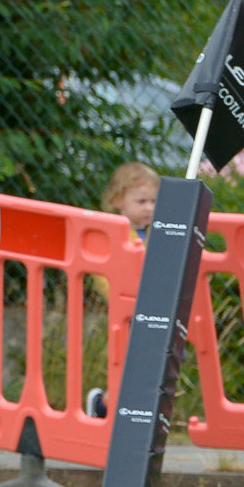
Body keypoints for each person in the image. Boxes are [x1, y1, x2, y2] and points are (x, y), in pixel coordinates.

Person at [85, 161, 161, 420]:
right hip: (126, 312)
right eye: (141, 201)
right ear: (118, 200)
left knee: (153, 366)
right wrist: (123, 298)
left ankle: (123, 410)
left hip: (154, 311)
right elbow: (101, 274)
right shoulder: (114, 234)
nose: (149, 208)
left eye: (153, 201)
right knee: (129, 365)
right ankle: (105, 406)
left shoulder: (158, 234)